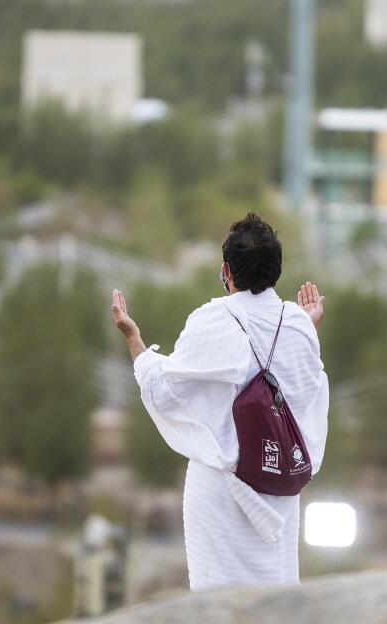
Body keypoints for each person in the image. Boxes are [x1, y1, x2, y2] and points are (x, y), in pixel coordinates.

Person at [110, 212, 329, 591]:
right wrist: (307, 327)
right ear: (276, 271)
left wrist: (134, 338)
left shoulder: (212, 319)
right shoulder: (298, 325)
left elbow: (165, 391)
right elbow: (304, 397)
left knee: (216, 603)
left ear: (226, 270)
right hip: (277, 488)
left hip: (221, 493)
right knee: (276, 602)